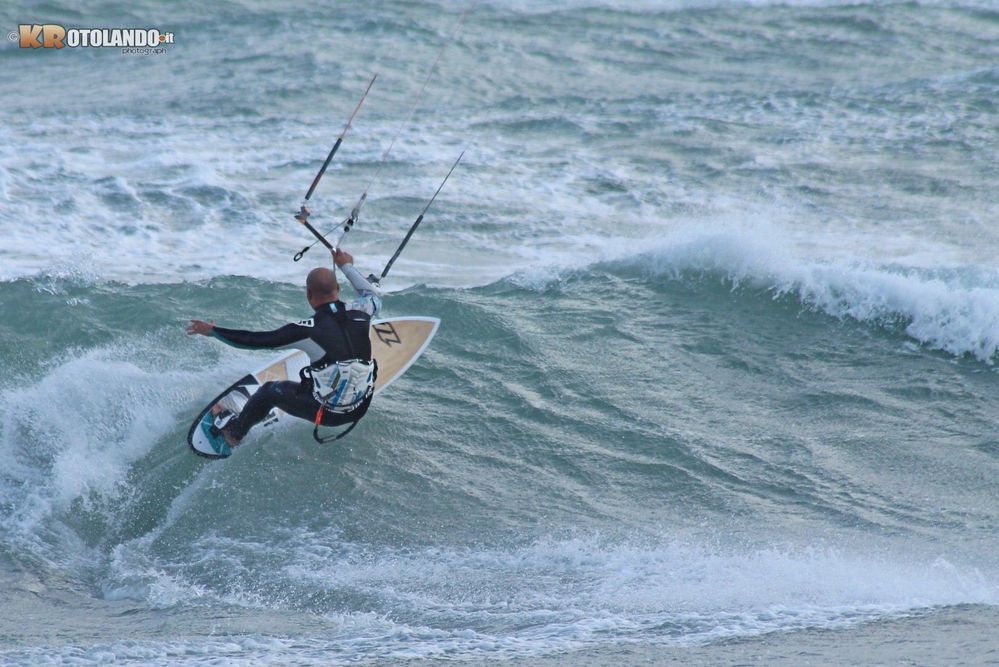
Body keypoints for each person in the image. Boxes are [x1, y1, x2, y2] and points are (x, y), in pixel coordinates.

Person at [187, 247, 381, 454]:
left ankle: (234, 433)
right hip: (361, 405)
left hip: (328, 414)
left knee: (270, 391)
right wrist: (346, 266)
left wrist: (214, 331)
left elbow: (256, 340)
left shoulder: (306, 330)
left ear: (308, 294)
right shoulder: (364, 310)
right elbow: (371, 293)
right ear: (338, 290)